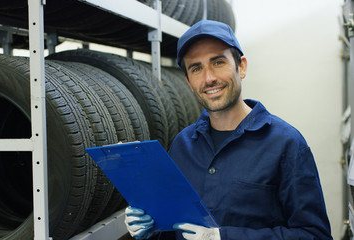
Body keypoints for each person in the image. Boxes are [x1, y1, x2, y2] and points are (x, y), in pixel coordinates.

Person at [124, 20, 332, 240]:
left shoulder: (286, 143)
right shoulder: (182, 144)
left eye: (218, 62)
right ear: (188, 81)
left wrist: (224, 237)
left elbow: (314, 235)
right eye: (196, 68)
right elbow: (174, 228)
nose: (209, 78)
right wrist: (152, 229)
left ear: (241, 66)